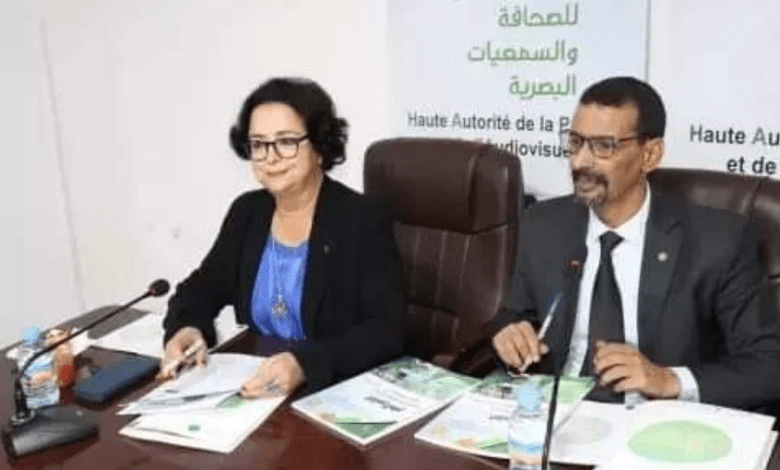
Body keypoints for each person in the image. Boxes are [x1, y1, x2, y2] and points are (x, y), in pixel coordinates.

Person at [491, 76, 780, 408]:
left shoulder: (718, 241)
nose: (580, 161)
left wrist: (668, 380)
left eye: (604, 146)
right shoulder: (543, 223)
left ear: (650, 154)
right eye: (575, 142)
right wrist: (510, 333)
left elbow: (768, 364)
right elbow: (516, 314)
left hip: (653, 419)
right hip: (555, 408)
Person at [160, 77, 404, 397]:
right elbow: (198, 291)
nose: (270, 157)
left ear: (320, 147)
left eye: (286, 141)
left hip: (331, 391)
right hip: (258, 387)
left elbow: (387, 331)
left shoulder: (361, 219)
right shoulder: (248, 212)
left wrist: (304, 364)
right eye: (259, 144)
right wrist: (186, 328)